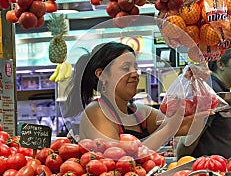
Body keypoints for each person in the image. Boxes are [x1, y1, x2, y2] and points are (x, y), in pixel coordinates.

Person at [62, 42, 205, 151]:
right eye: (126, 68)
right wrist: (168, 130)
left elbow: (183, 126)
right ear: (102, 75)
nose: (135, 73)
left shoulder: (139, 113)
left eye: (135, 68)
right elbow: (117, 160)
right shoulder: (97, 112)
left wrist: (196, 94)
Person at [177, 44, 231, 159]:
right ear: (220, 64)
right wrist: (181, 164)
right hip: (209, 173)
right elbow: (187, 142)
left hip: (217, 170)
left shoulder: (217, 91)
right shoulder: (210, 93)